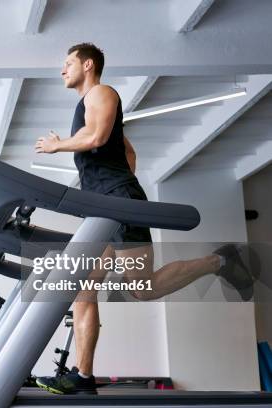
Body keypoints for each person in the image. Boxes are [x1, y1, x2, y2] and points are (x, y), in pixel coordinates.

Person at [33, 42, 256, 394]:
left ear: (88, 65)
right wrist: (113, 183)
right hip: (103, 207)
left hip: (116, 203)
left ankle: (220, 260)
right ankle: (83, 376)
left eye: (68, 63)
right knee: (83, 289)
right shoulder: (88, 104)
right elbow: (127, 151)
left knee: (143, 288)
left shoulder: (101, 93)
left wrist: (59, 146)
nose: (63, 70)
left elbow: (99, 137)